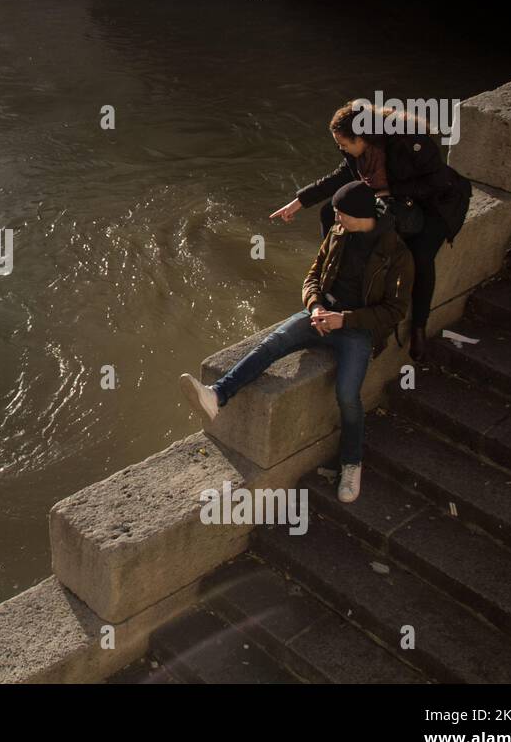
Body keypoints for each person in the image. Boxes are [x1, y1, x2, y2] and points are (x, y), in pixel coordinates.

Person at [180, 181, 413, 503]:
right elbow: (313, 275)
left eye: (340, 213)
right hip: (321, 314)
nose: (336, 218)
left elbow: (395, 310)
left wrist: (345, 320)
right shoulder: (338, 232)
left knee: (347, 394)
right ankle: (218, 395)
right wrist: (316, 305)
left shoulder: (396, 253)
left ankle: (351, 464)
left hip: (358, 329)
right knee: (273, 342)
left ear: (359, 215)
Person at [268, 100, 470, 361]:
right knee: (330, 211)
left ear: (362, 137)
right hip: (396, 200)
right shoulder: (359, 153)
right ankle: (339, 276)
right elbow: (341, 177)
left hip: (436, 203)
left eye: (343, 143)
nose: (340, 148)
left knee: (420, 256)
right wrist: (298, 203)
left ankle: (419, 325)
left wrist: (391, 192)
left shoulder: (408, 142)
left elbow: (437, 182)